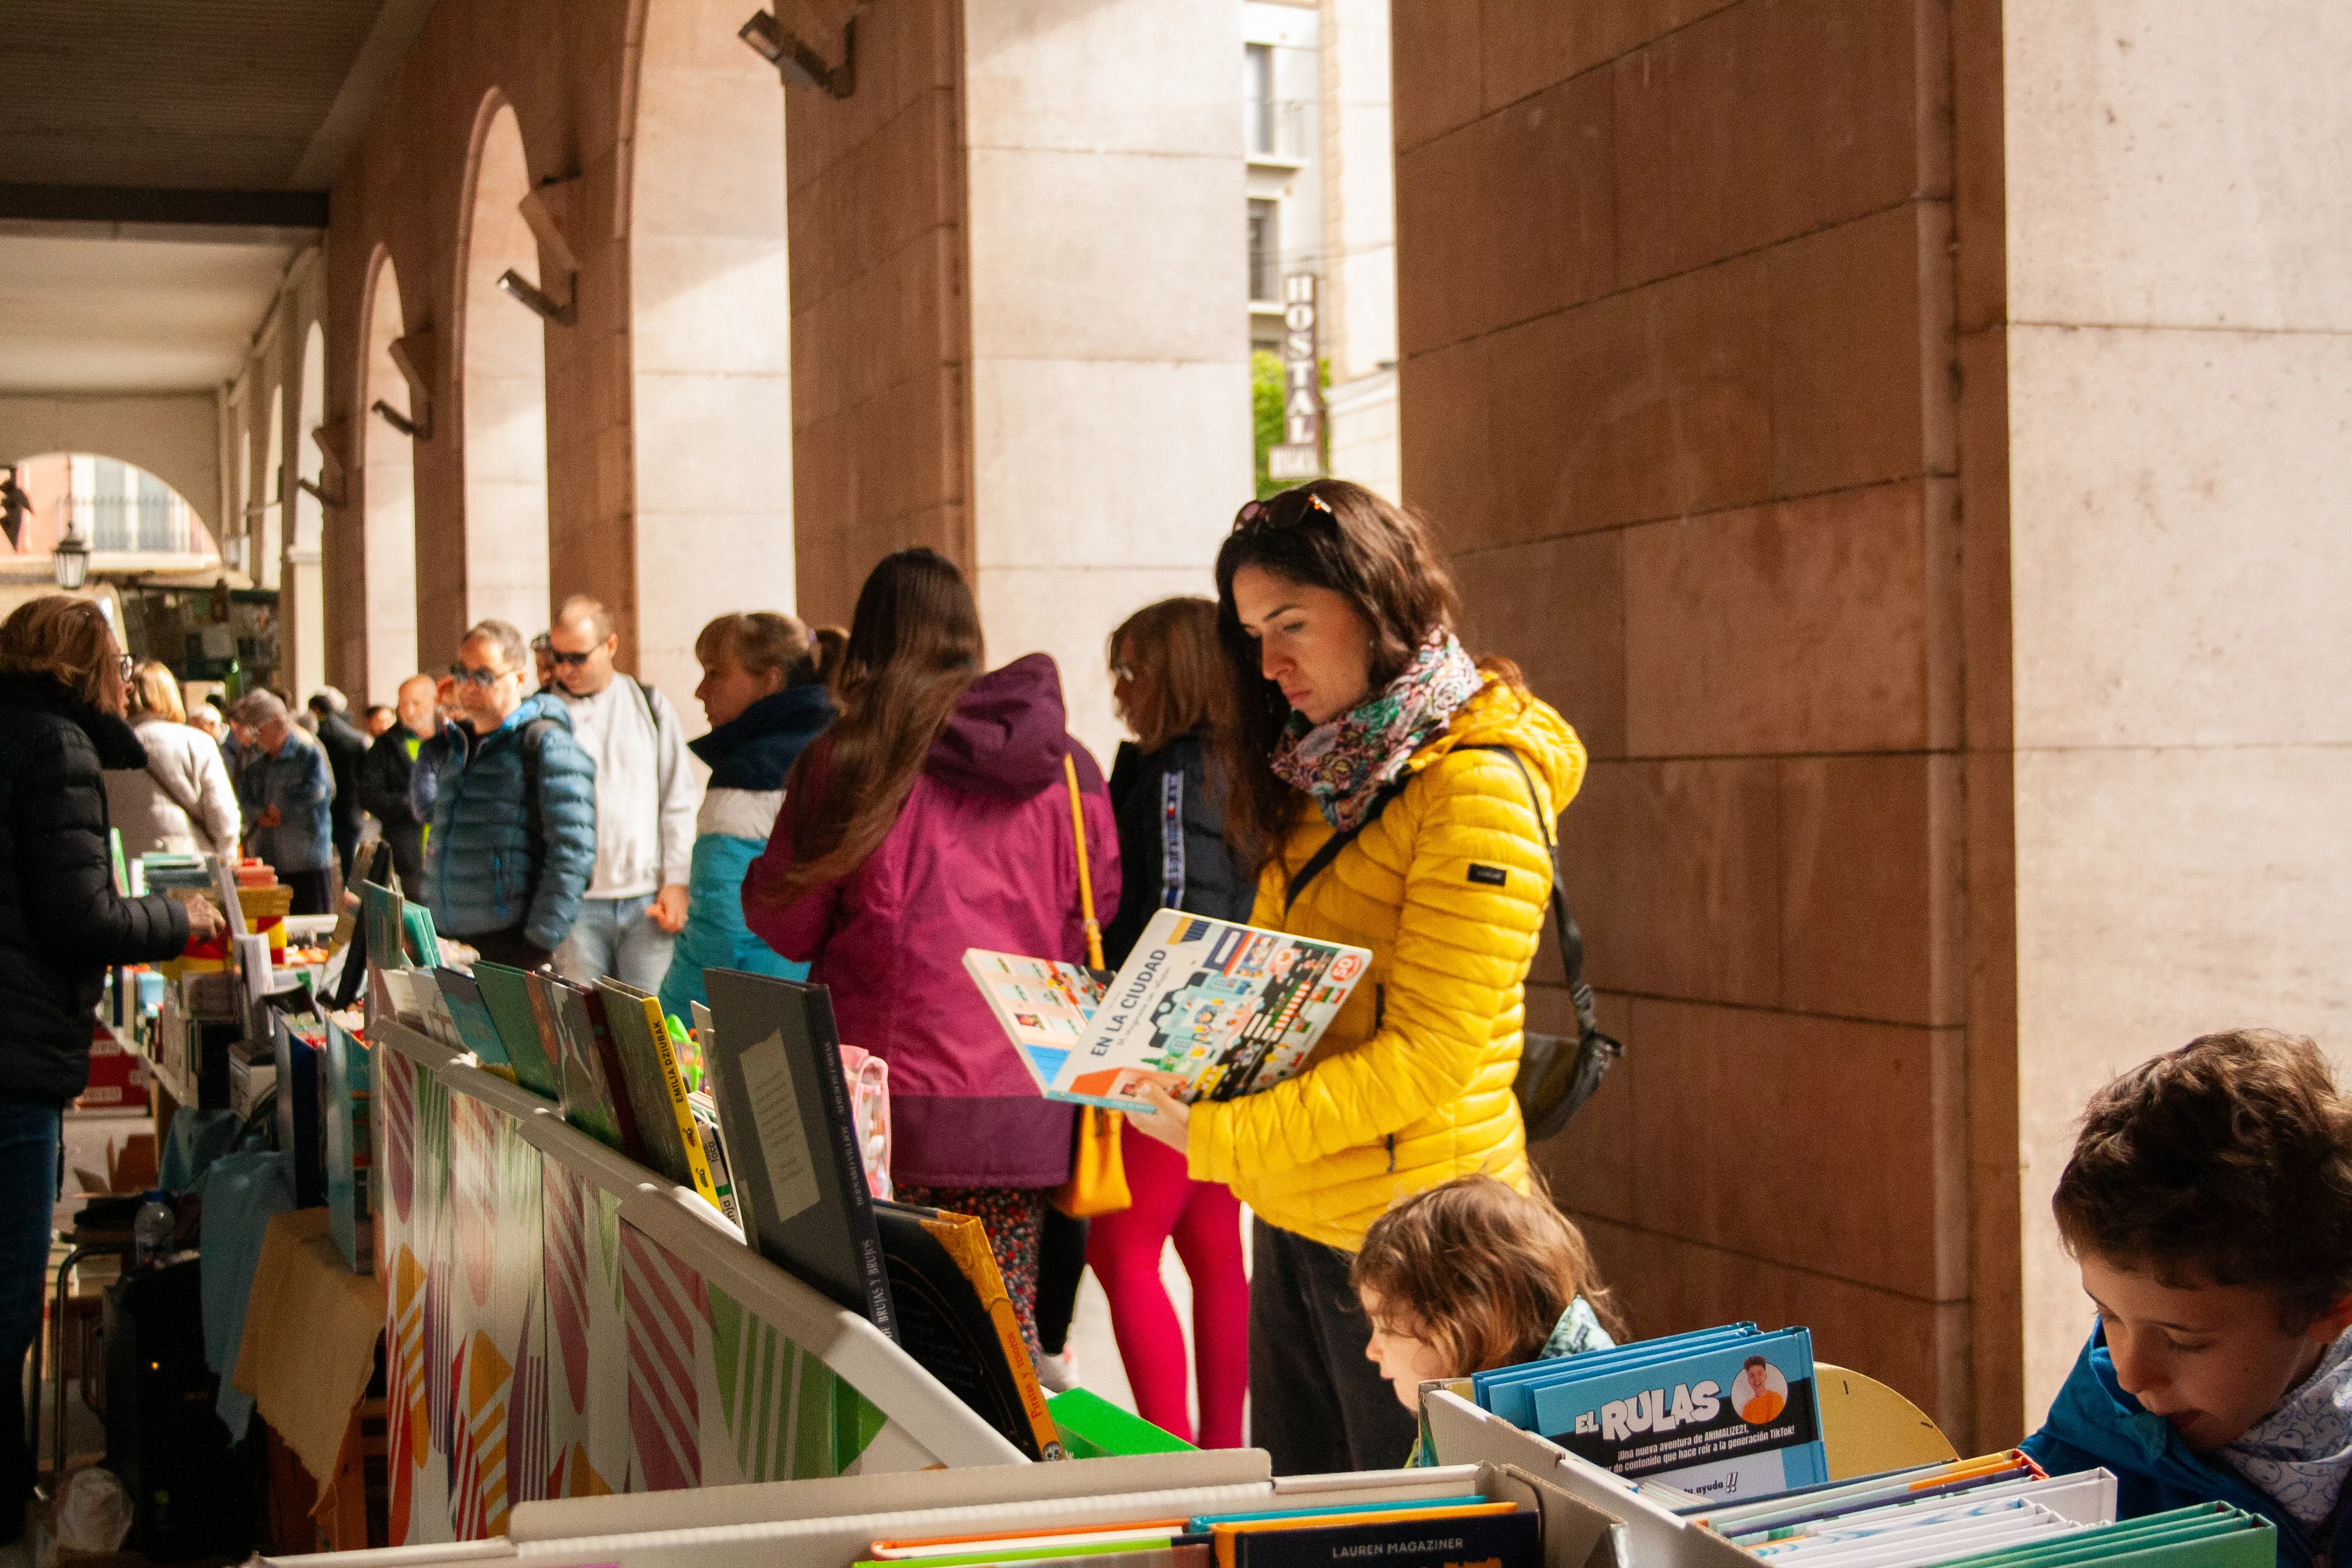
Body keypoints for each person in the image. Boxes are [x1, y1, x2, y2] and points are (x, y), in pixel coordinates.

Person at [1122, 478, 1586, 1474]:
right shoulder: (1323, 768)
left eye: (1288, 623)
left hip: (1423, 1245)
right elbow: (1289, 996)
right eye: (1250, 634)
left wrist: (1217, 1133)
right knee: (1310, 1519)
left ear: (1376, 604)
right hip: (1298, 1213)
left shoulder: (1476, 783)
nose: (1269, 662)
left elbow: (1432, 1051)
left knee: (1408, 1537)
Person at [744, 549, 1118, 1354]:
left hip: (880, 1109)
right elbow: (1098, 909)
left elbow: (787, 921)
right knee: (995, 1346)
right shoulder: (1071, 766)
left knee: (875, 1353)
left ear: (871, 640)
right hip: (1024, 1108)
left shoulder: (848, 760)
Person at [0, 596, 224, 1543]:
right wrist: (185, 923)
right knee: (9, 1289)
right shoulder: (56, 747)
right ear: (88, 662)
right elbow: (77, 914)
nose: (127, 676)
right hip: (13, 1053)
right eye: (121, 658)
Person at [2022, 1030, 2352, 1566]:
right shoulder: (2068, 1483)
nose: (2131, 1376)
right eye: (2108, 1314)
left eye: (2182, 1340)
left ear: (2330, 1309)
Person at [1075, 598, 1252, 1446]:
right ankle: (1220, 1454)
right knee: (1213, 1249)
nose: (1119, 692)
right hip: (1233, 1038)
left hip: (1169, 1035)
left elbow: (1178, 911)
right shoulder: (1242, 762)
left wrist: (1125, 1033)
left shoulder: (1177, 774)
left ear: (1173, 675)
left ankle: (1176, 1459)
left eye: (1131, 671)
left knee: (1123, 1250)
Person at [1353, 1173, 1622, 1463]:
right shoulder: (1466, 1419)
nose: (1372, 1351)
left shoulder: (1587, 1440)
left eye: (1386, 1328)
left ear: (1463, 1327)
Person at [655, 613, 841, 1022]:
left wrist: (668, 1019)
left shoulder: (749, 773)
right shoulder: (838, 745)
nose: (700, 691)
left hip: (753, 1016)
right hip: (821, 1006)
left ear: (769, 680)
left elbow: (720, 929)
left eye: (715, 673)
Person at [420, 621, 596, 972]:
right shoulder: (458, 746)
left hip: (513, 945)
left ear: (518, 678)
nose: (469, 686)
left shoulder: (546, 744)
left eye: (484, 675)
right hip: (451, 943)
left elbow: (573, 853)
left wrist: (537, 943)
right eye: (462, 673)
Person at [546, 597, 696, 992]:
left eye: (577, 658)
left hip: (646, 901)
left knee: (654, 1030)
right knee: (583, 1030)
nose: (564, 669)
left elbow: (677, 798)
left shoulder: (649, 704)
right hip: (574, 903)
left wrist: (677, 880)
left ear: (610, 646)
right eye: (556, 657)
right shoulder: (543, 712)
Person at [103, 660, 240, 858]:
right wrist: (226, 858)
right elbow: (223, 817)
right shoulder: (198, 742)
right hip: (190, 868)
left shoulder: (107, 749)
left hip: (129, 869)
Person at [230, 689, 336, 914]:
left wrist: (282, 809)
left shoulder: (308, 753)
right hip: (272, 861)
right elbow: (244, 800)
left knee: (312, 931)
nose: (256, 737)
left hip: (309, 861)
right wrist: (258, 814)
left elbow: (320, 790)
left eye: (260, 730)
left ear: (278, 722)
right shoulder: (257, 764)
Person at [359, 673, 437, 893]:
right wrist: (410, 803)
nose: (408, 711)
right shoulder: (385, 746)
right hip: (408, 852)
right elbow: (368, 795)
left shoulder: (452, 741)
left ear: (435, 702)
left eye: (416, 703)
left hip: (447, 853)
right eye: (403, 704)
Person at [309, 687, 370, 877]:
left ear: (315, 710)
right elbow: (365, 775)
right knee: (347, 864)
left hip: (322, 809)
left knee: (323, 867)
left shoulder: (314, 739)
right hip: (351, 809)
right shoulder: (356, 738)